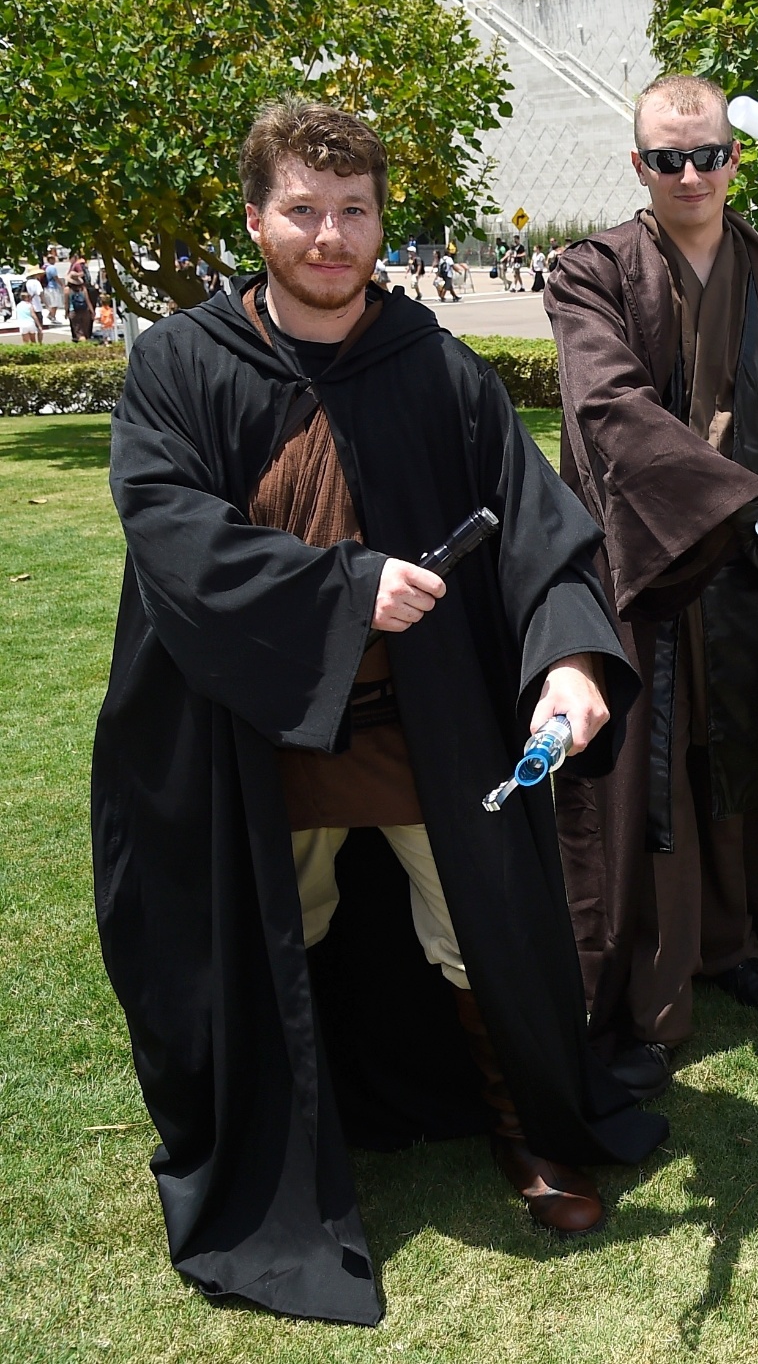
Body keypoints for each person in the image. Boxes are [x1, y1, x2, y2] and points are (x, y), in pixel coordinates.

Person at [91, 97, 667, 1326]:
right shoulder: (179, 367)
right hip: (251, 724)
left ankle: (530, 1133)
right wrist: (347, 587)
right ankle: (290, 1155)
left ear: (381, 220)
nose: (330, 236)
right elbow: (174, 537)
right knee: (270, 932)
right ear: (256, 219)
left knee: (479, 924)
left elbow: (539, 531)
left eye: (353, 211)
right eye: (302, 210)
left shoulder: (435, 366)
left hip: (422, 720)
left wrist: (570, 659)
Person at [546, 75, 758, 1099]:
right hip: (647, 558)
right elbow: (610, 410)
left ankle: (732, 938)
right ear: (638, 164)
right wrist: (740, 504)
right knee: (648, 770)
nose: (689, 175)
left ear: (737, 159)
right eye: (666, 158)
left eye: (708, 155)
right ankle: (654, 975)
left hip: (754, 571)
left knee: (739, 743)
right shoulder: (590, 272)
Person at [65, 264, 94, 342]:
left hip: (73, 312)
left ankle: (82, 346)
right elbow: (88, 301)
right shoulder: (83, 288)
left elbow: (66, 303)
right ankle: (87, 345)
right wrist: (92, 311)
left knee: (79, 331)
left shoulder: (67, 290)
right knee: (86, 330)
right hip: (85, 311)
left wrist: (66, 312)